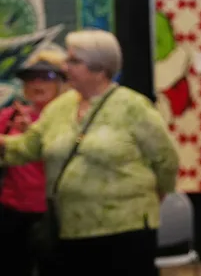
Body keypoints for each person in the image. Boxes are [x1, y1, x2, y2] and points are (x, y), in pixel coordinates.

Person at [0, 29, 180, 276]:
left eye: (74, 61)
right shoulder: (59, 109)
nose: (65, 66)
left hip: (126, 231)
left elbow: (166, 160)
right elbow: (25, 148)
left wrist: (155, 194)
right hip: (70, 230)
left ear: (100, 68)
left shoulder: (133, 106)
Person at [0, 49, 67, 276]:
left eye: (46, 76)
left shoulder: (70, 119)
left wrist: (32, 136)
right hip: (12, 212)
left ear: (60, 82)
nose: (37, 83)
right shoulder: (7, 117)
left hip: (56, 212)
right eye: (30, 77)